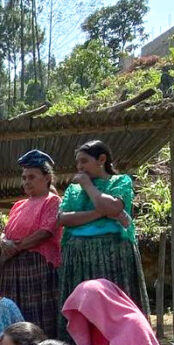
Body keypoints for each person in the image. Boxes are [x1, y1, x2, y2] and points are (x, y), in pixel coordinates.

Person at [57, 140, 147, 335]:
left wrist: (88, 186)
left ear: (102, 159)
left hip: (113, 254)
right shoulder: (73, 190)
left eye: (84, 161)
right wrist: (103, 212)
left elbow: (113, 206)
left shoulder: (120, 182)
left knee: (115, 305)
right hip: (79, 258)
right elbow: (63, 218)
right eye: (77, 163)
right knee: (84, 307)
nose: (79, 167)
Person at [0, 149, 62, 339]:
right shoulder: (18, 205)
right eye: (24, 177)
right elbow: (6, 230)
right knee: (15, 315)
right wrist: (3, 241)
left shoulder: (53, 201)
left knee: (38, 317)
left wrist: (15, 247)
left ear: (47, 177)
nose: (26, 182)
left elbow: (45, 232)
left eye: (32, 177)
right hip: (13, 268)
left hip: (37, 267)